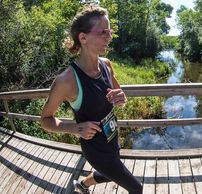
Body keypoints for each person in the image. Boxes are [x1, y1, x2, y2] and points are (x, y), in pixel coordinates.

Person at [40, 4, 143, 194]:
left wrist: (120, 97)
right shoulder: (66, 81)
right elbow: (45, 120)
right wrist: (75, 128)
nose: (109, 37)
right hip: (95, 149)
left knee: (108, 173)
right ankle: (82, 185)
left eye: (109, 32)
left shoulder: (106, 65)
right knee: (136, 188)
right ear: (83, 37)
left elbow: (119, 94)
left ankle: (81, 186)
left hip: (112, 136)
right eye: (103, 32)